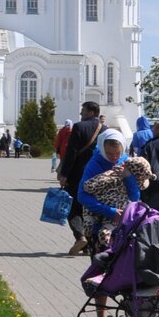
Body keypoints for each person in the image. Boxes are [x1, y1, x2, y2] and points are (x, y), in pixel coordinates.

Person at [77, 129, 149, 317]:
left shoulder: (127, 162)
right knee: (101, 269)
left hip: (125, 225)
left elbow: (135, 196)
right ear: (102, 148)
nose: (114, 157)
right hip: (101, 225)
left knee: (133, 269)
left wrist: (127, 177)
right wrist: (110, 212)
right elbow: (83, 195)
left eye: (117, 153)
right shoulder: (94, 165)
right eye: (110, 153)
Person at [57, 100, 102, 255]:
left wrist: (64, 174)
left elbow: (71, 153)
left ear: (91, 112)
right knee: (91, 211)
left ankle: (80, 236)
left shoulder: (79, 127)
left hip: (78, 174)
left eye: (83, 110)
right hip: (99, 176)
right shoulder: (106, 129)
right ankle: (89, 246)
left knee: (73, 207)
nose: (81, 113)